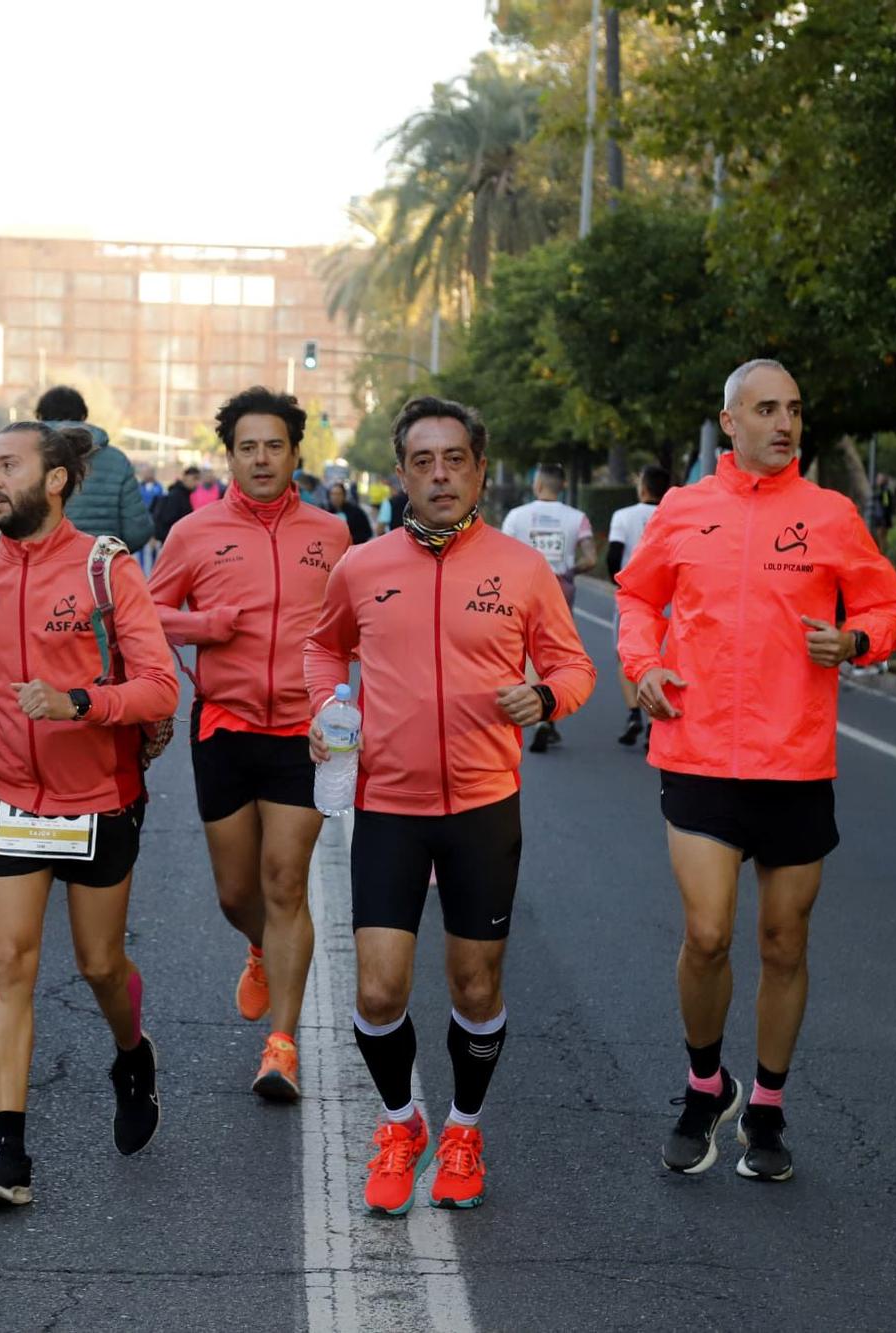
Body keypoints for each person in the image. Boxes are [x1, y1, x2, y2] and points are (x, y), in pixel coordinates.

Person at [616, 359, 896, 1183]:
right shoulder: (683, 511)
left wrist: (856, 642)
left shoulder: (831, 515)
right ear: (731, 421)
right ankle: (704, 1084)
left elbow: (889, 607)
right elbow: (638, 597)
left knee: (784, 941)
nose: (785, 423)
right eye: (768, 409)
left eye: (795, 409)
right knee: (707, 932)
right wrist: (641, 662)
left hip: (794, 759)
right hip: (698, 747)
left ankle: (770, 1110)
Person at [304, 395, 596, 1214]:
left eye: (455, 459)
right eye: (423, 461)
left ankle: (465, 1127)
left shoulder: (522, 568)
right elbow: (324, 645)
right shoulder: (363, 566)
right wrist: (325, 710)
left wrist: (545, 695)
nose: (440, 474)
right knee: (376, 991)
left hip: (482, 805)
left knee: (474, 986)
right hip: (389, 804)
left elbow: (575, 668)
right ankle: (402, 1122)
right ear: (400, 473)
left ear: (478, 470)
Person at [0, 421, 179, 1207]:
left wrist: (79, 700)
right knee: (11, 961)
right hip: (5, 796)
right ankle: (9, 1151)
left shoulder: (107, 570)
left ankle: (132, 1054)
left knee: (100, 964)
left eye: (9, 465)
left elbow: (159, 687)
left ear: (57, 480)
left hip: (99, 797)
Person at [150, 386, 352, 1102]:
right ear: (228, 455)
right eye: (247, 447)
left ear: (296, 451)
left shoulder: (332, 533)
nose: (261, 458)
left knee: (283, 880)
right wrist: (207, 626)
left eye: (274, 445)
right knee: (237, 892)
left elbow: (359, 621)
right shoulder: (194, 533)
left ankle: (282, 1043)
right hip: (224, 726)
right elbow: (148, 612)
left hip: (304, 732)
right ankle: (261, 944)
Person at [500, 462, 598, 754]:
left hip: (521, 586)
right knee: (557, 647)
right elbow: (591, 557)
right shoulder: (577, 518)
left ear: (537, 484)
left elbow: (500, 554)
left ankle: (540, 710)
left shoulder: (517, 517)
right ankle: (551, 706)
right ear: (563, 486)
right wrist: (570, 570)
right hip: (560, 585)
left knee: (528, 647)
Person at [36, 385, 153, 551]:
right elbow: (137, 531)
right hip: (98, 567)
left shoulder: (20, 455)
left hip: (36, 566)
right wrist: (110, 554)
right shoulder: (117, 461)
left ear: (40, 417)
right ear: (83, 416)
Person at [606, 464, 670, 748]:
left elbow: (613, 555)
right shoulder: (674, 516)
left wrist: (619, 583)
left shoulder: (623, 516)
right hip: (670, 596)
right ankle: (655, 721)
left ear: (643, 487)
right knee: (663, 657)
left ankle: (634, 713)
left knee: (627, 654)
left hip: (634, 596)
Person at [152, 464, 200, 543]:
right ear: (185, 477)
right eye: (194, 478)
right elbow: (169, 519)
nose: (197, 483)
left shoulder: (185, 495)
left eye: (198, 479)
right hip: (173, 540)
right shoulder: (176, 496)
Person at [325, 480, 375, 548]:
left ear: (344, 496)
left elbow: (367, 532)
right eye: (333, 494)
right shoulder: (325, 513)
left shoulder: (356, 512)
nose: (335, 497)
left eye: (338, 494)